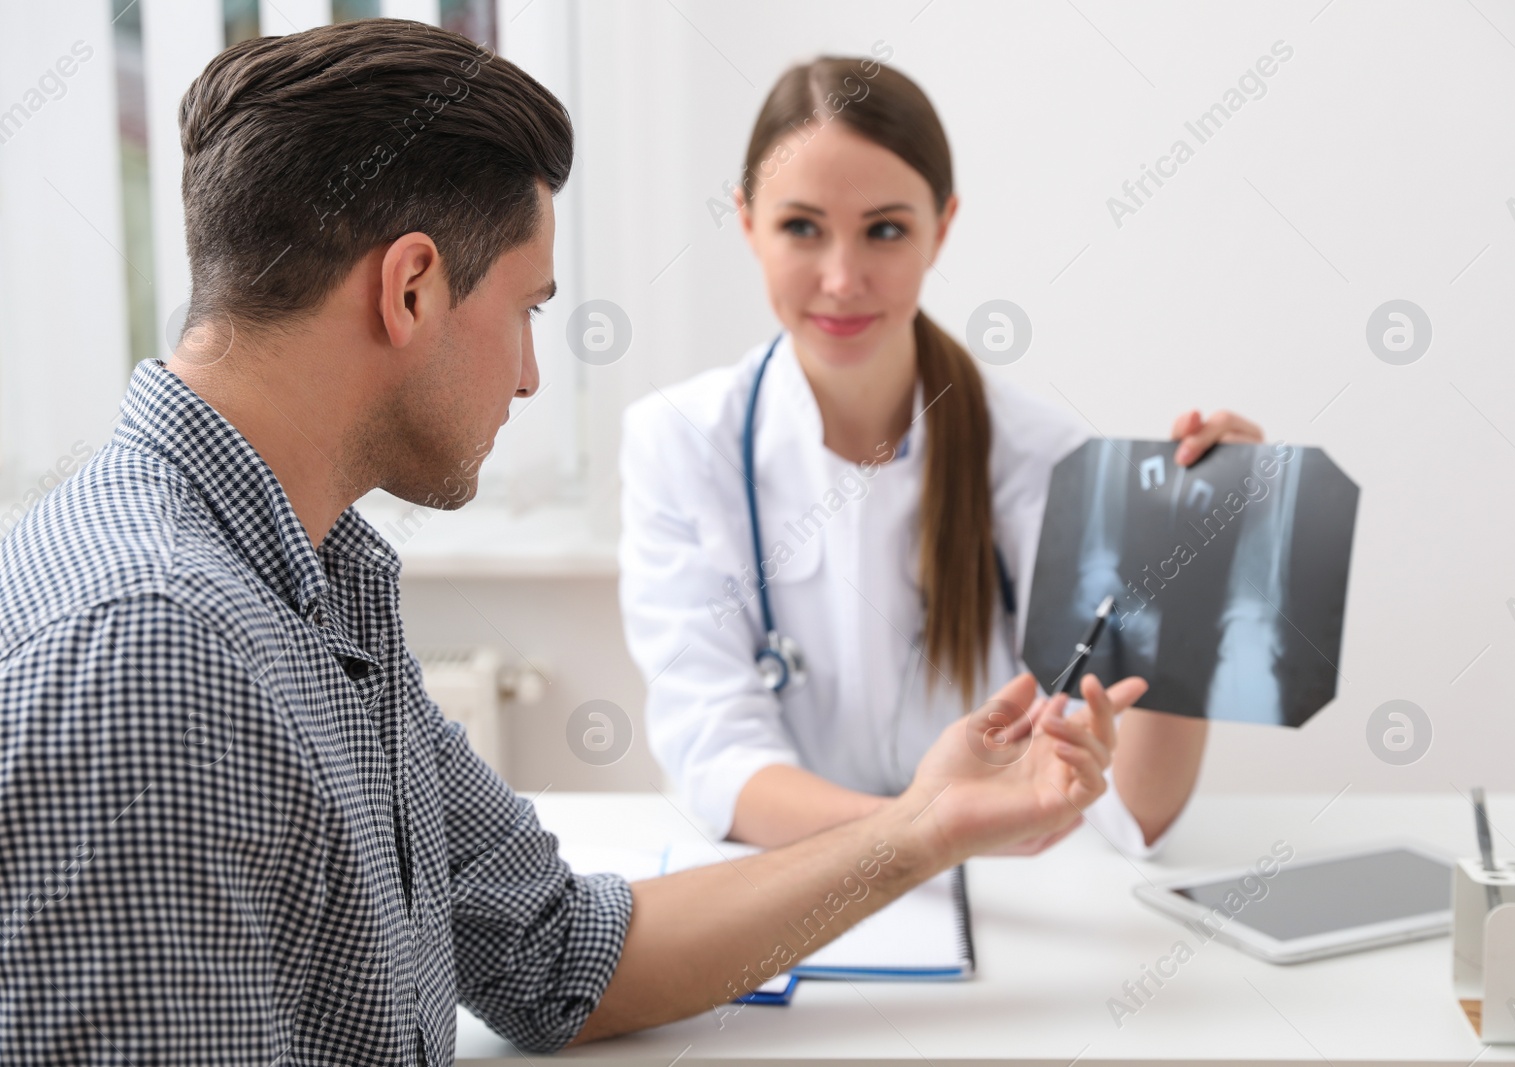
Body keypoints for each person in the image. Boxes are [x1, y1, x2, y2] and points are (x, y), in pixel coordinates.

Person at [0, 20, 1144, 1064]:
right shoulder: (149, 659)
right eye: (529, 307)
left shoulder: (313, 583)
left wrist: (921, 825)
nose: (533, 372)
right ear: (410, 289)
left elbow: (558, 952)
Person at [619, 58, 1264, 855]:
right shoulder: (678, 441)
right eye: (801, 227)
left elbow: (1135, 809)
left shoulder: (1044, 457)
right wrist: (937, 828)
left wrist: (1196, 579)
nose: (842, 277)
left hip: (1001, 907)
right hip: (784, 900)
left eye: (885, 229)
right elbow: (717, 756)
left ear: (942, 226)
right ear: (747, 220)